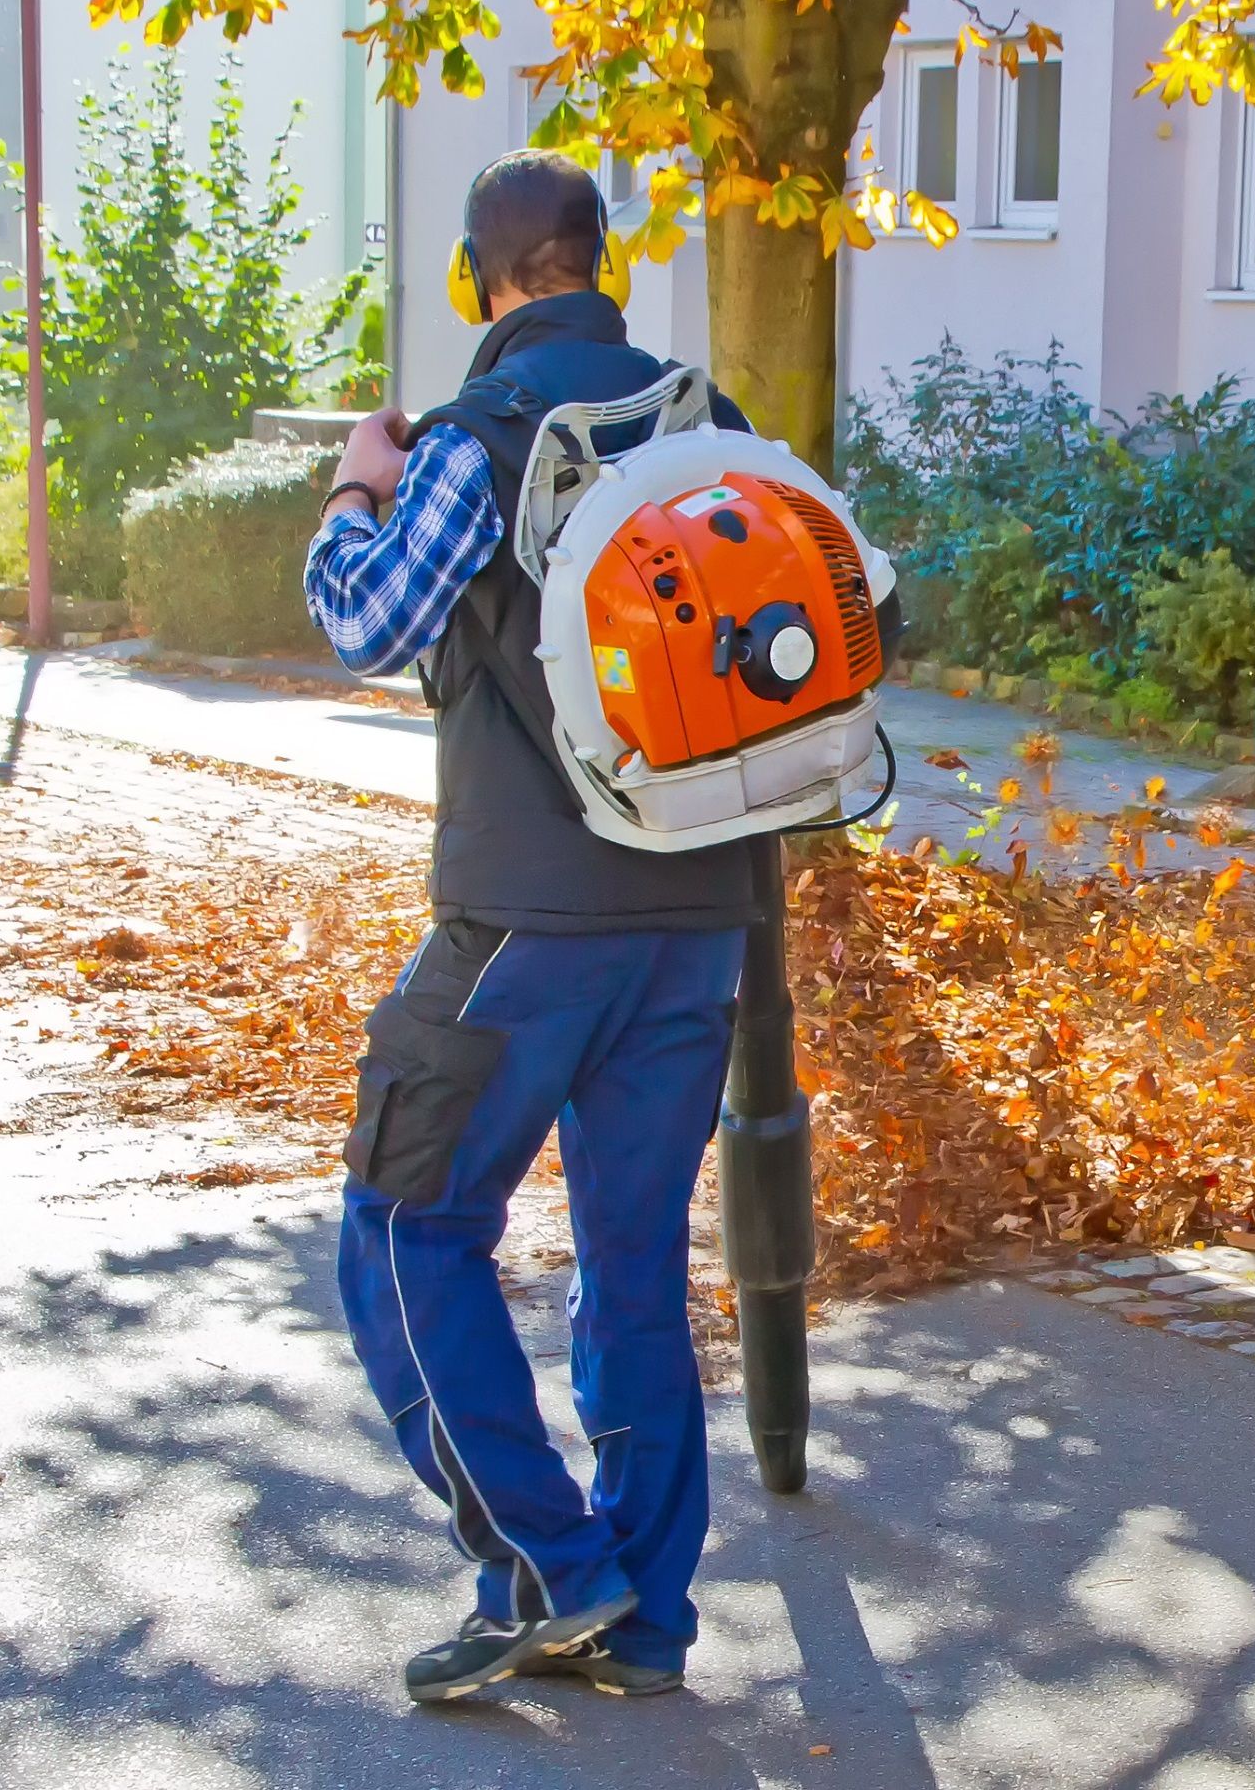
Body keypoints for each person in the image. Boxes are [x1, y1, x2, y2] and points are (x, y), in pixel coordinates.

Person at [305, 150, 760, 1705]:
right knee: (634, 1267)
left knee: (402, 1220)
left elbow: (367, 622)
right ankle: (641, 1615)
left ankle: (545, 1565)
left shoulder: (480, 439)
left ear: (480, 282)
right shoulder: (716, 423)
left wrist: (357, 483)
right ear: (596, 259)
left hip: (524, 926)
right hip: (702, 920)